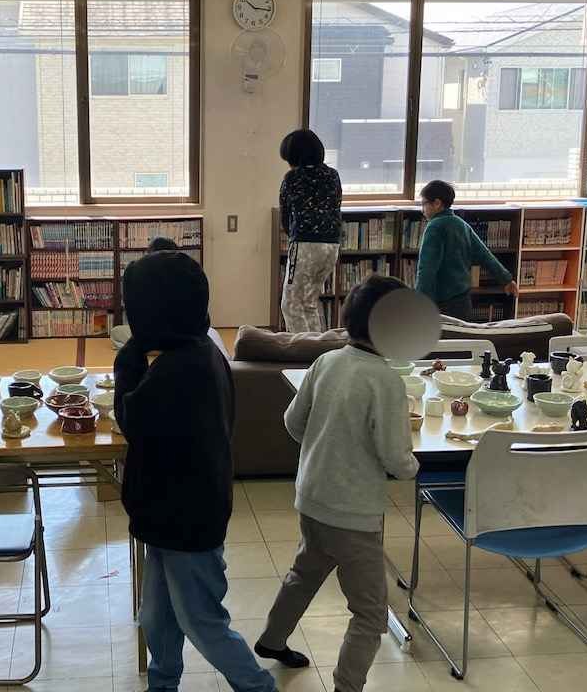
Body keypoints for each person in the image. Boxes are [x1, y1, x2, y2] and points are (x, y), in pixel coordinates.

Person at [115, 251, 277, 692]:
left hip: (187, 519)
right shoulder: (197, 349)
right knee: (156, 615)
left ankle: (259, 686)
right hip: (169, 515)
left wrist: (128, 357)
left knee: (202, 621)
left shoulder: (181, 368)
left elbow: (131, 418)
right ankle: (163, 682)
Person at [255, 275, 420, 692]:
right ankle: (347, 686)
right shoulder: (386, 381)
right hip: (353, 514)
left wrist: (328, 442)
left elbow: (293, 423)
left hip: (312, 497)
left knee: (305, 572)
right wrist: (414, 467)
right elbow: (396, 458)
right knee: (370, 613)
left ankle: (272, 639)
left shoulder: (326, 361)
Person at [415, 180, 517, 320]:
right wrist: (506, 279)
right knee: (462, 334)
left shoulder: (434, 227)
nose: (422, 210)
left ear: (437, 203)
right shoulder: (462, 225)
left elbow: (427, 269)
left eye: (424, 204)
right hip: (463, 301)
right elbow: (485, 255)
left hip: (441, 302)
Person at [278, 129, 343, 333]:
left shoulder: (292, 178)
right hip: (331, 246)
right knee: (309, 303)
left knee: (290, 305)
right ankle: (316, 346)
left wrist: (293, 236)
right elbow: (337, 205)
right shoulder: (333, 175)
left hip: (305, 245)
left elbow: (285, 216)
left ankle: (303, 349)